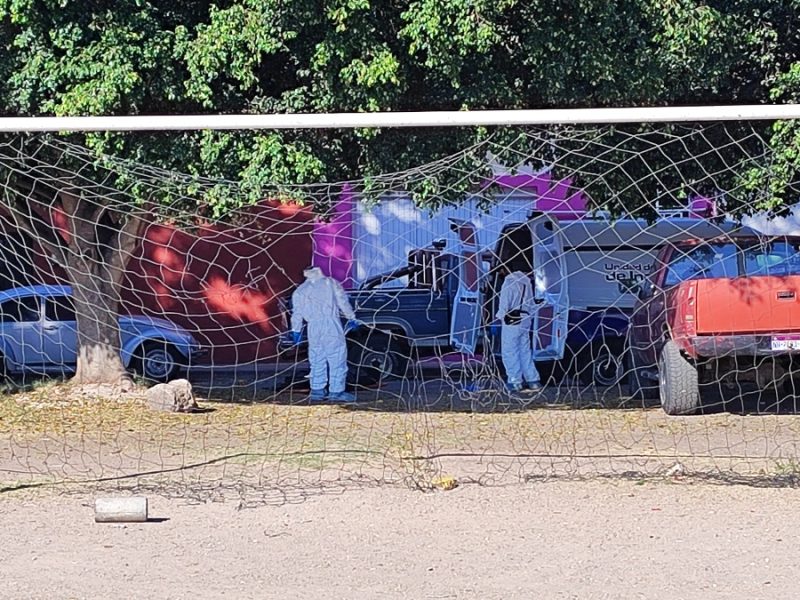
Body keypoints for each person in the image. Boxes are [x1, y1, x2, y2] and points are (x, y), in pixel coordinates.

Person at [291, 266, 359, 402]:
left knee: (317, 358)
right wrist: (351, 317)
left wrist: (296, 331)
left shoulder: (300, 290)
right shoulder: (330, 283)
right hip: (331, 324)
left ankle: (317, 390)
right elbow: (342, 301)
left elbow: (297, 313)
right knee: (337, 357)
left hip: (313, 327)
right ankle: (336, 391)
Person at [495, 270, 541, 393]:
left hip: (512, 321)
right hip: (525, 319)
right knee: (524, 350)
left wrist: (500, 316)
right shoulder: (526, 282)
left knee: (510, 351)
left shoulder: (509, 282)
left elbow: (504, 303)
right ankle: (533, 380)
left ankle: (515, 381)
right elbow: (531, 304)